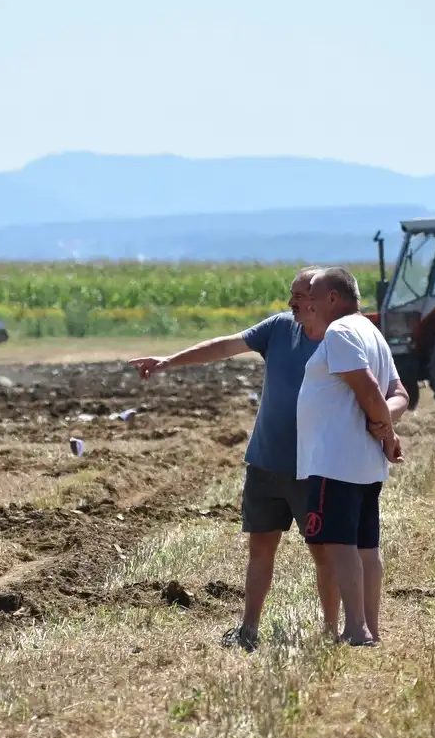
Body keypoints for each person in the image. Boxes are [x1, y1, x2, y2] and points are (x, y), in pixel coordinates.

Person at [129, 267, 327, 652]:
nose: (291, 303)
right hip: (266, 461)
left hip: (313, 466)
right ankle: (248, 630)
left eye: (299, 295)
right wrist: (169, 361)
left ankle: (332, 630)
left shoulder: (340, 339)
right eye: (291, 294)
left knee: (324, 552)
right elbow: (223, 347)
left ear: (322, 298)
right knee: (260, 548)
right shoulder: (278, 328)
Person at [296, 267, 409, 647]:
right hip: (363, 462)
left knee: (338, 544)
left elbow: (369, 388)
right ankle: (370, 629)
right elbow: (399, 394)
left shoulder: (341, 331)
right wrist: (386, 424)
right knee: (366, 547)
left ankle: (356, 628)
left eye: (312, 294)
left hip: (335, 459)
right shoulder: (372, 332)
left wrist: (387, 431)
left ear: (332, 298)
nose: (306, 302)